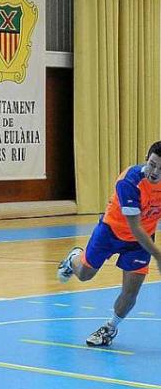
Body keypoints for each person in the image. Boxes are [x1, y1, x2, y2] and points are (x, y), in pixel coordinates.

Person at [57, 141, 161, 347]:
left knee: (131, 291)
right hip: (111, 232)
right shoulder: (129, 181)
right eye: (152, 164)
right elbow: (134, 227)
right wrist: (158, 255)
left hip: (140, 243)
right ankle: (73, 259)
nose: (155, 172)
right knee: (85, 274)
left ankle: (110, 327)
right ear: (145, 160)